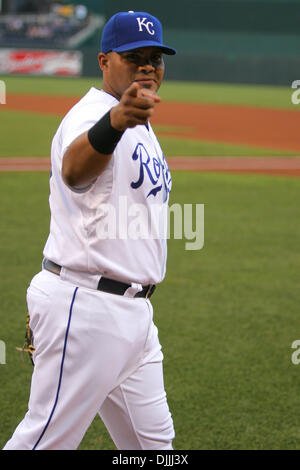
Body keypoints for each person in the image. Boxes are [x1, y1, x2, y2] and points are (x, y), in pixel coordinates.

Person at [4, 10, 176, 450]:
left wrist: (125, 120)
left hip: (134, 315)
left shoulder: (142, 123)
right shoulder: (94, 115)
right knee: (45, 442)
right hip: (86, 307)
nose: (147, 66)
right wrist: (116, 122)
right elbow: (74, 171)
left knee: (154, 446)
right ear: (103, 61)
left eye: (155, 58)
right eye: (133, 56)